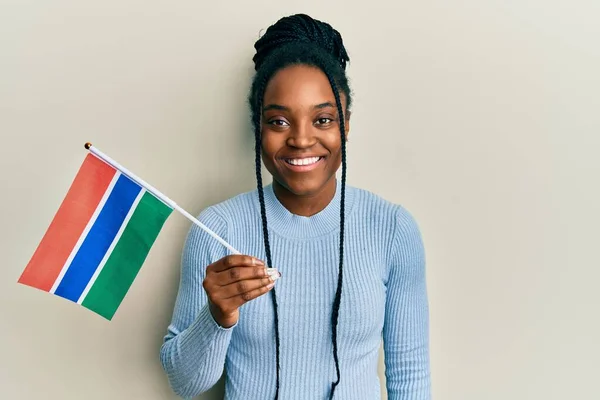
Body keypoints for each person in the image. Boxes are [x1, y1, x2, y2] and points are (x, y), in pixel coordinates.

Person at [159, 13, 431, 400]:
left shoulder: (392, 229)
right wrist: (217, 318)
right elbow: (185, 384)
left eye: (322, 119)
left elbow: (411, 378)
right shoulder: (216, 229)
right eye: (279, 121)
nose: (302, 140)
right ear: (259, 128)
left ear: (346, 125)